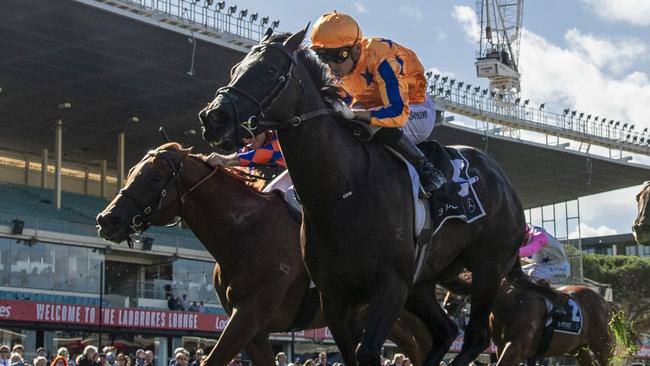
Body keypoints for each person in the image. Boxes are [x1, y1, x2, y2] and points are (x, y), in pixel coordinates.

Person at [310, 11, 446, 194]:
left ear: (357, 48)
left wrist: (355, 114)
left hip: (414, 107)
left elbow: (397, 114)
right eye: (324, 57)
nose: (331, 66)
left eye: (337, 56)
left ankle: (426, 169)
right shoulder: (336, 70)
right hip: (373, 105)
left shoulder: (382, 58)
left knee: (373, 125)